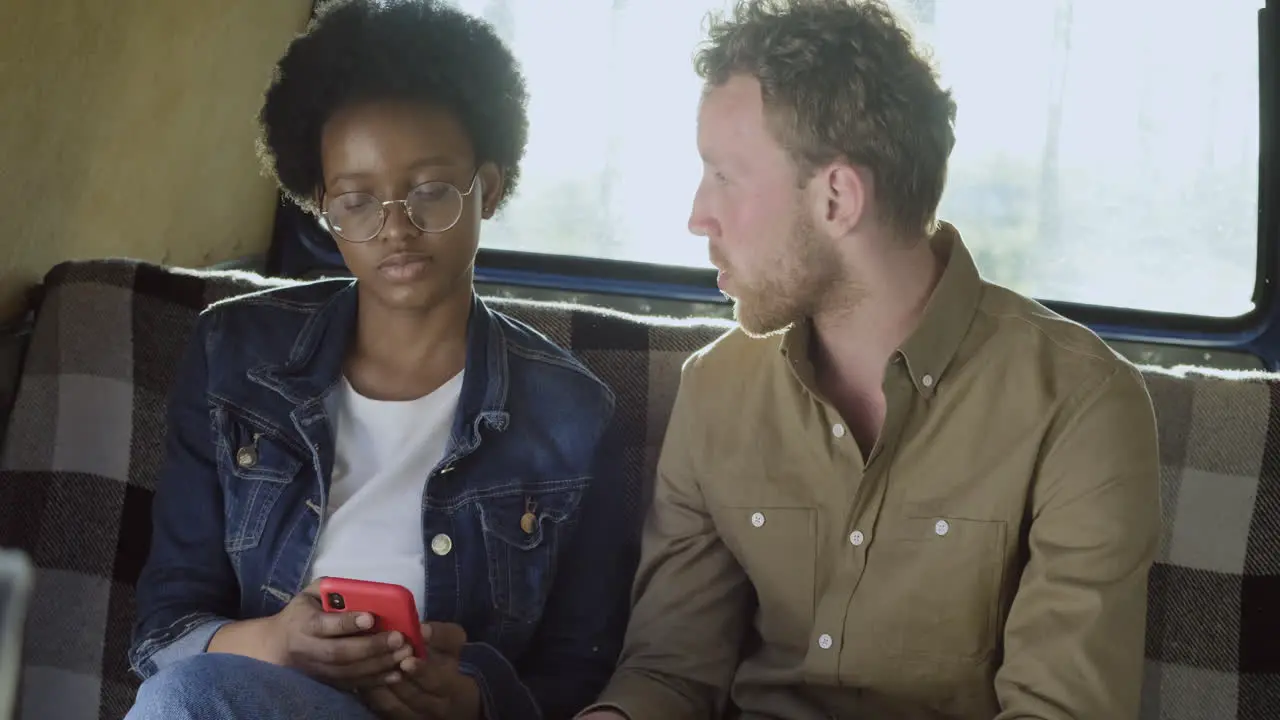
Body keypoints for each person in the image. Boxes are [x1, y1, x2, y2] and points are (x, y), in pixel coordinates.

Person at [580, 1, 1161, 719]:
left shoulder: (1081, 405)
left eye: (724, 176)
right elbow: (670, 675)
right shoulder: (716, 388)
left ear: (837, 197)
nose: (698, 215)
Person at [125, 1, 634, 718]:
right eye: (356, 202)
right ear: (320, 207)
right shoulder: (231, 355)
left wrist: (475, 696)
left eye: (428, 192)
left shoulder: (575, 415)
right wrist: (276, 642)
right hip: (248, 702)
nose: (395, 229)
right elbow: (162, 631)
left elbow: (584, 669)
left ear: (486, 187)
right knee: (187, 693)